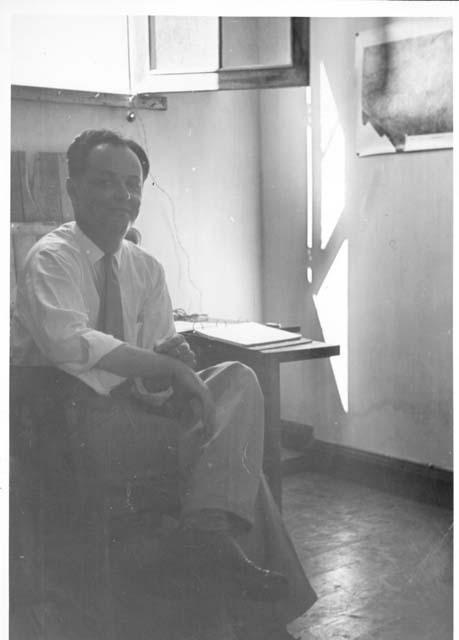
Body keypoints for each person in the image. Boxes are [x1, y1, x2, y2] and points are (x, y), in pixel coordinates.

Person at [11, 129, 316, 638]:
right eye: (106, 183)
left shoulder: (145, 267)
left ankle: (209, 537)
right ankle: (262, 618)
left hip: (134, 421)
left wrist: (171, 368)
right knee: (236, 474)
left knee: (237, 379)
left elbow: (154, 366)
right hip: (70, 429)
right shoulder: (51, 257)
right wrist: (165, 370)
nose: (123, 196)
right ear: (74, 189)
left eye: (132, 185)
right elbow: (69, 344)